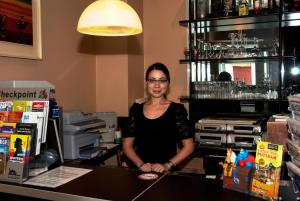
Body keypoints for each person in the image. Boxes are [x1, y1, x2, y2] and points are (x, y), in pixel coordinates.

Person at [122, 62, 194, 173]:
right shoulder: (136, 110)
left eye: (162, 80)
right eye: (152, 80)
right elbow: (127, 145)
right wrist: (140, 164)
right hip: (140, 173)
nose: (157, 85)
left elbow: (189, 147)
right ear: (146, 83)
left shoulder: (177, 110)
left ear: (168, 83)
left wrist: (167, 165)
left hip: (166, 175)